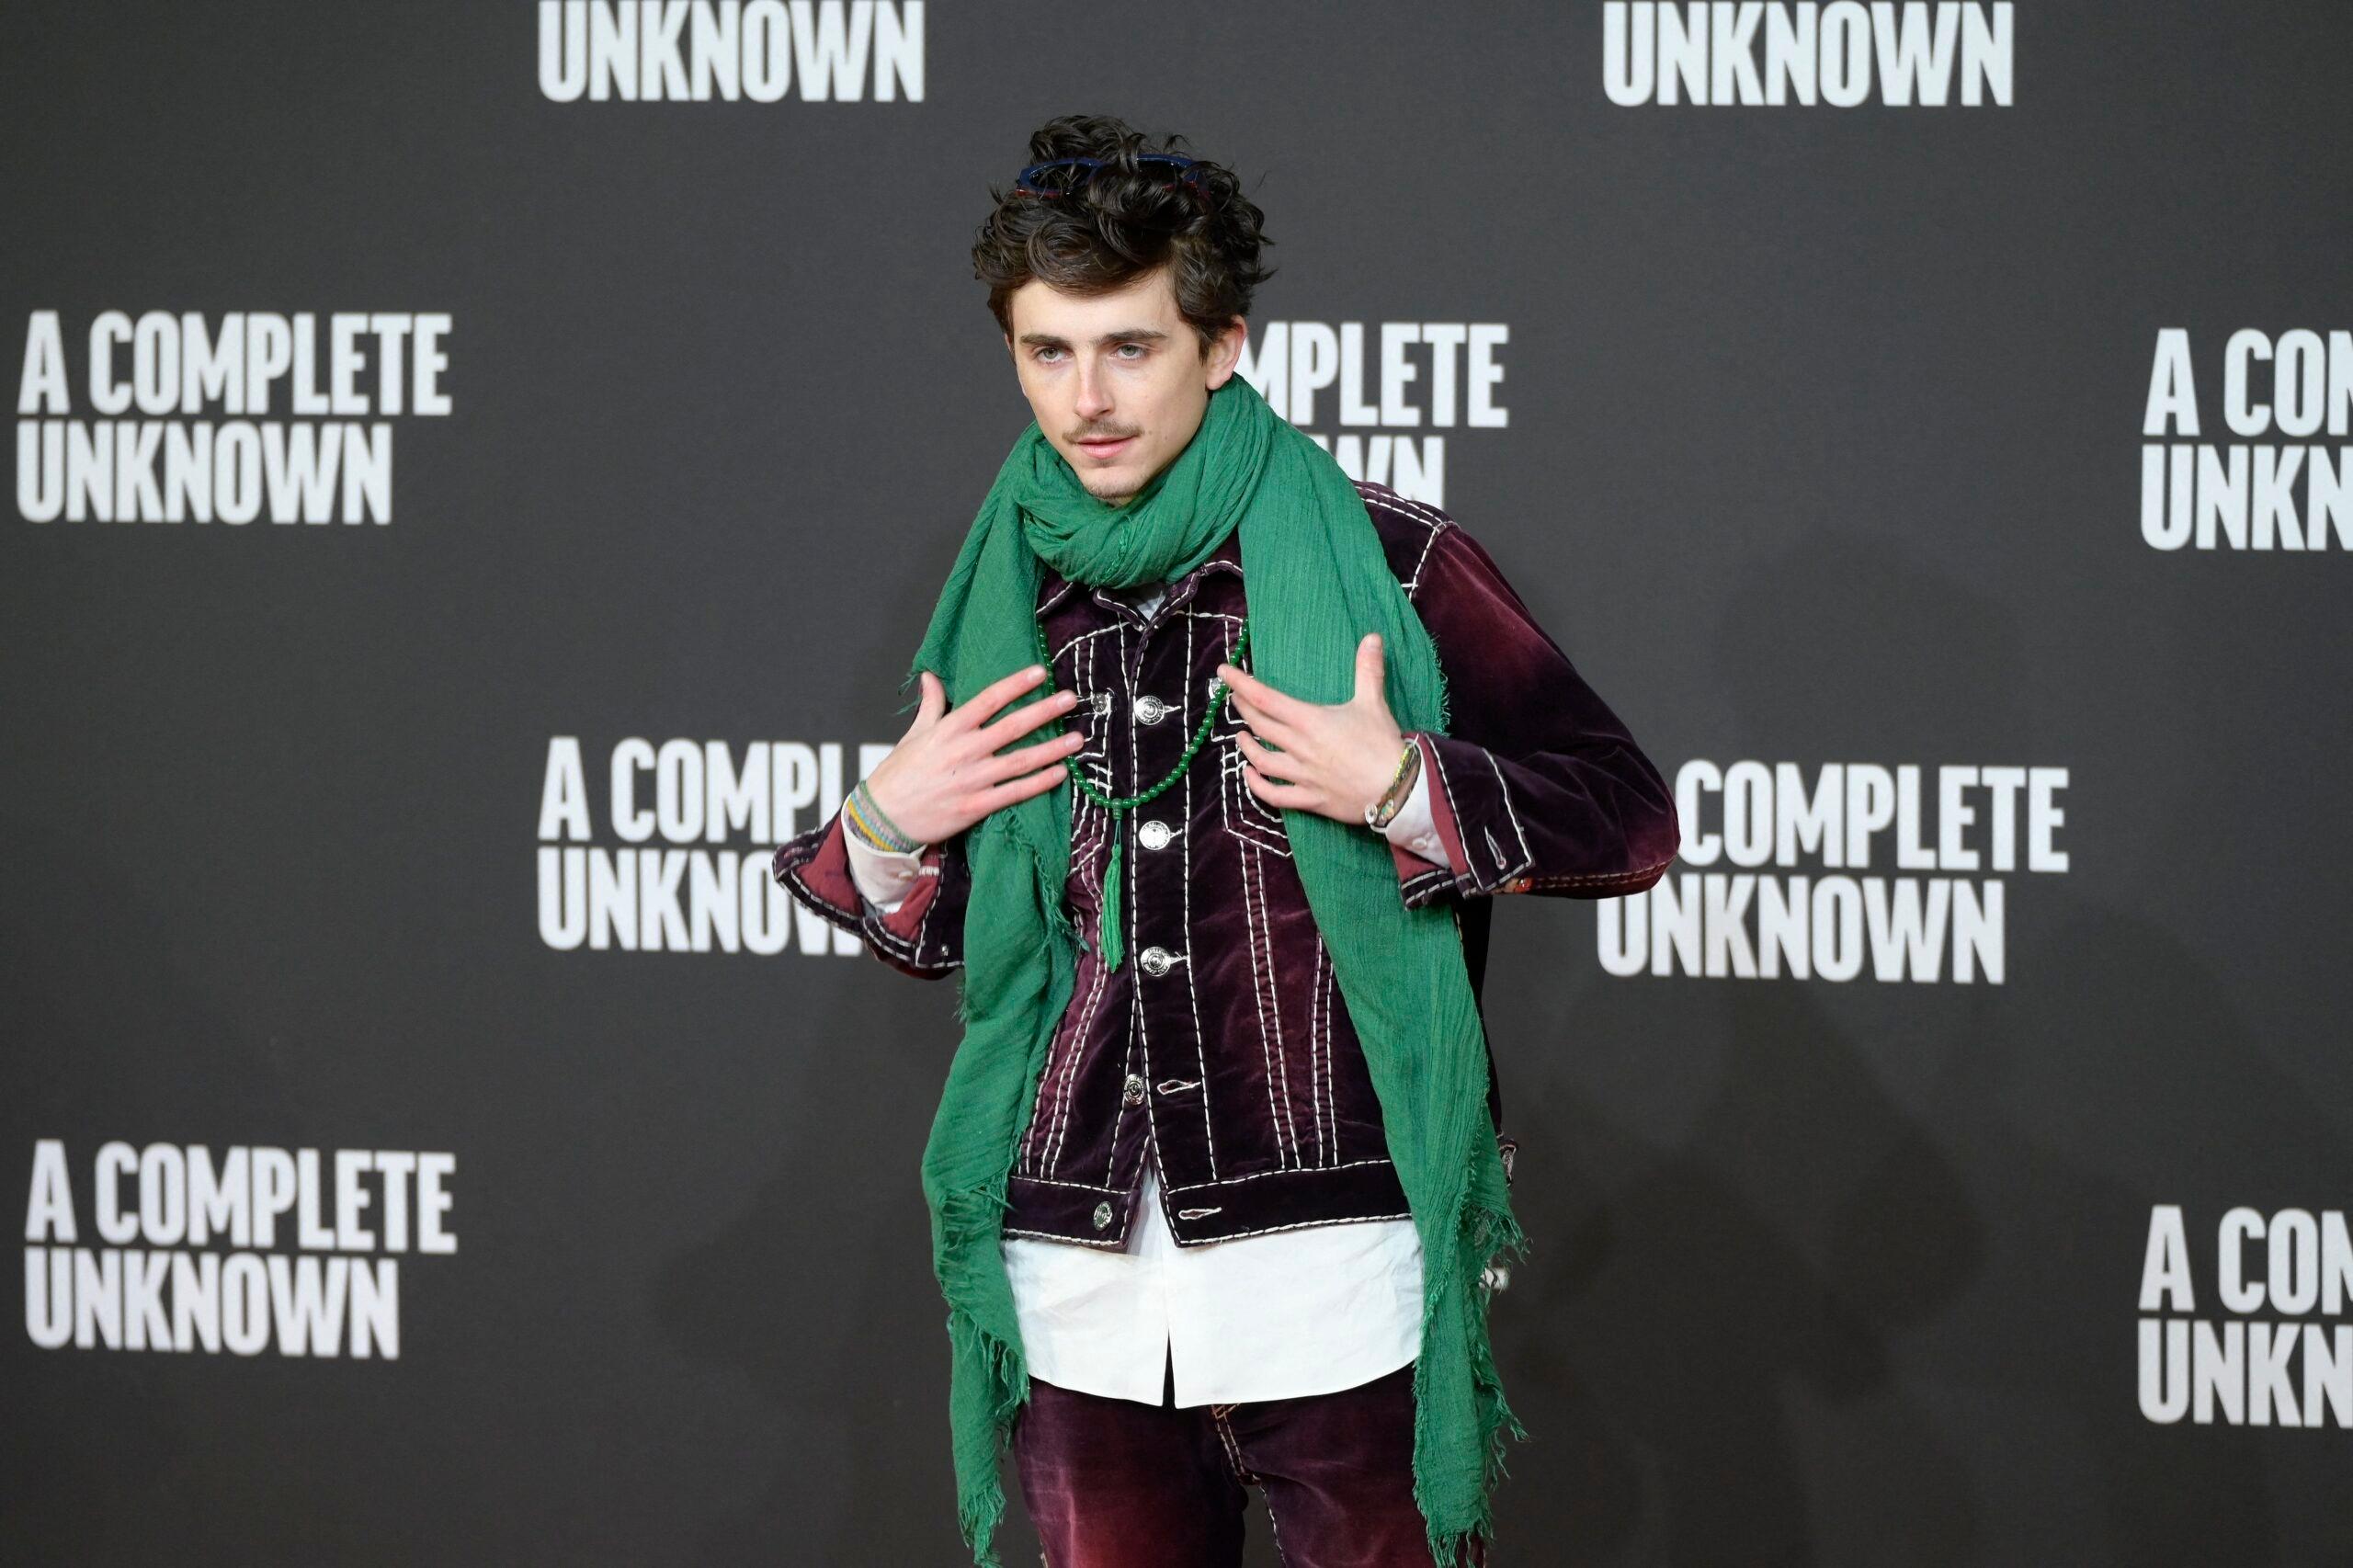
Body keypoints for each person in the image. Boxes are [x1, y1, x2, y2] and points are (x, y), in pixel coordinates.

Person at [772, 113, 1679, 1568]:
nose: (1086, 400)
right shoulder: (1003, 590)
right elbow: (947, 935)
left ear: (1223, 343)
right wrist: (887, 824)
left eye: (1129, 347)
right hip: (1075, 1295)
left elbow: (1629, 817)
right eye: (1047, 353)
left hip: (1341, 1276)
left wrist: (1404, 789)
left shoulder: (1388, 561)